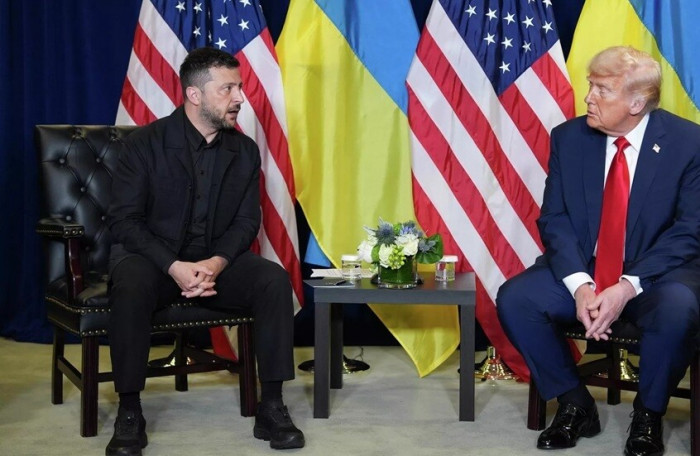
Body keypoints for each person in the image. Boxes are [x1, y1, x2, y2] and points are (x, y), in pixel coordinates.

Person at [497, 45, 700, 456]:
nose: (588, 97)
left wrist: (626, 286)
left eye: (602, 90)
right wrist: (580, 286)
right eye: (590, 86)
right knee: (517, 298)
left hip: (657, 275)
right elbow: (555, 219)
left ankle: (648, 414)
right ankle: (575, 403)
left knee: (679, 308)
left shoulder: (689, 142)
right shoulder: (569, 137)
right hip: (586, 267)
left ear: (637, 103)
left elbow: (689, 231)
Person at [105, 47, 304, 455]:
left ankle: (271, 406)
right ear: (194, 95)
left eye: (239, 87)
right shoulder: (143, 144)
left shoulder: (244, 151)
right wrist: (173, 265)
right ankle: (129, 410)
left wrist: (215, 263)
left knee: (273, 280)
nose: (239, 98)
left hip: (215, 263)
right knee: (130, 283)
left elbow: (246, 222)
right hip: (155, 261)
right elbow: (124, 221)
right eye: (227, 89)